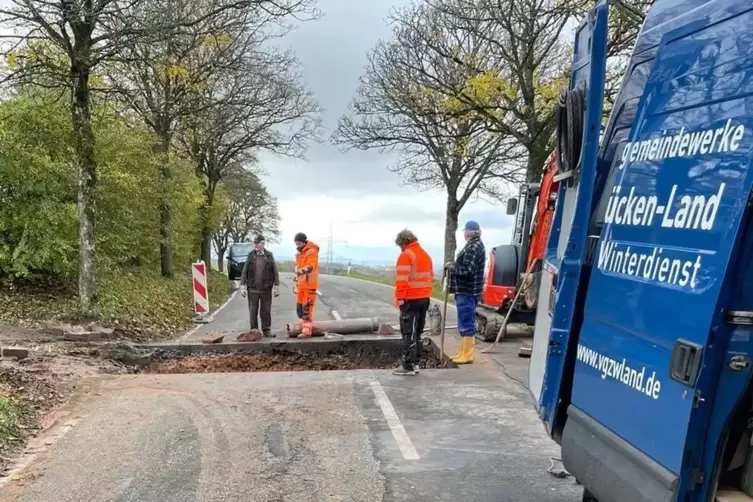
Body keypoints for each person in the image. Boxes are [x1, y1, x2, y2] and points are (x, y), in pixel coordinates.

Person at [393, 229, 434, 376]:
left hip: (410, 299)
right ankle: (416, 363)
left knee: (408, 332)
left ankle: (407, 366)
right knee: (418, 332)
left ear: (403, 243)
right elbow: (430, 277)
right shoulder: (425, 255)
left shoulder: (406, 255)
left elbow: (401, 280)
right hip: (424, 298)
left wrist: (400, 298)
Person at [447, 221, 486, 364]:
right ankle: (463, 352)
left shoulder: (473, 248)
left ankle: (467, 355)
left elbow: (467, 270)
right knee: (464, 321)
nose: (464, 234)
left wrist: (452, 268)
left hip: (467, 290)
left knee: (466, 322)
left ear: (469, 233)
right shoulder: (475, 245)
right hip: (468, 290)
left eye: (465, 231)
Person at [239, 235, 280, 340]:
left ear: (263, 244)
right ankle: (254, 331)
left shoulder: (269, 255)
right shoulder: (250, 255)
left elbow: (274, 271)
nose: (256, 245)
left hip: (266, 288)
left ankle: (266, 330)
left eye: (258, 243)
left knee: (266, 310)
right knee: (253, 310)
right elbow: (245, 270)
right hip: (252, 288)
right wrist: (243, 285)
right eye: (255, 243)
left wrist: (276, 286)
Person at [294, 232, 320, 338]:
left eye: (299, 243)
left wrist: (298, 271)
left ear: (304, 242)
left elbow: (310, 267)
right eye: (296, 244)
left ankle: (307, 331)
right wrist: (297, 276)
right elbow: (298, 267)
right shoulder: (300, 253)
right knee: (299, 308)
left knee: (307, 309)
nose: (297, 246)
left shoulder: (312, 251)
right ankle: (302, 326)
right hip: (301, 285)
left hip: (309, 285)